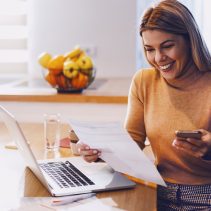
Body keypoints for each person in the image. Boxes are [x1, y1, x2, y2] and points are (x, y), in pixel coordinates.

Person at [78, 0, 211, 210]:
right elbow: (131, 143)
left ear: (189, 40)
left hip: (205, 196)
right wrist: (99, 152)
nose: (158, 58)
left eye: (167, 46)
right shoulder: (144, 81)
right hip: (156, 190)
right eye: (150, 49)